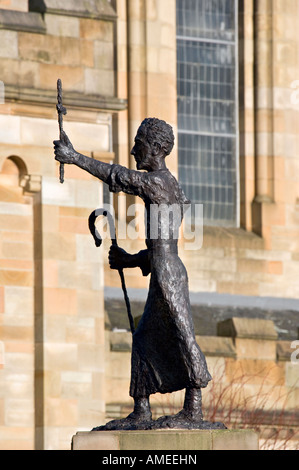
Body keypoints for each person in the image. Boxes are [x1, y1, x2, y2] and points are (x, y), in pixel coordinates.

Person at [54, 118, 214, 430]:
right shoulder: (172, 185)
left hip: (167, 271)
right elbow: (161, 248)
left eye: (138, 144)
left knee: (182, 335)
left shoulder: (157, 182)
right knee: (144, 338)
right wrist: (129, 260)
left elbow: (119, 176)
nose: (132, 150)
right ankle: (142, 408)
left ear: (158, 149)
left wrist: (74, 157)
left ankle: (193, 408)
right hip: (164, 267)